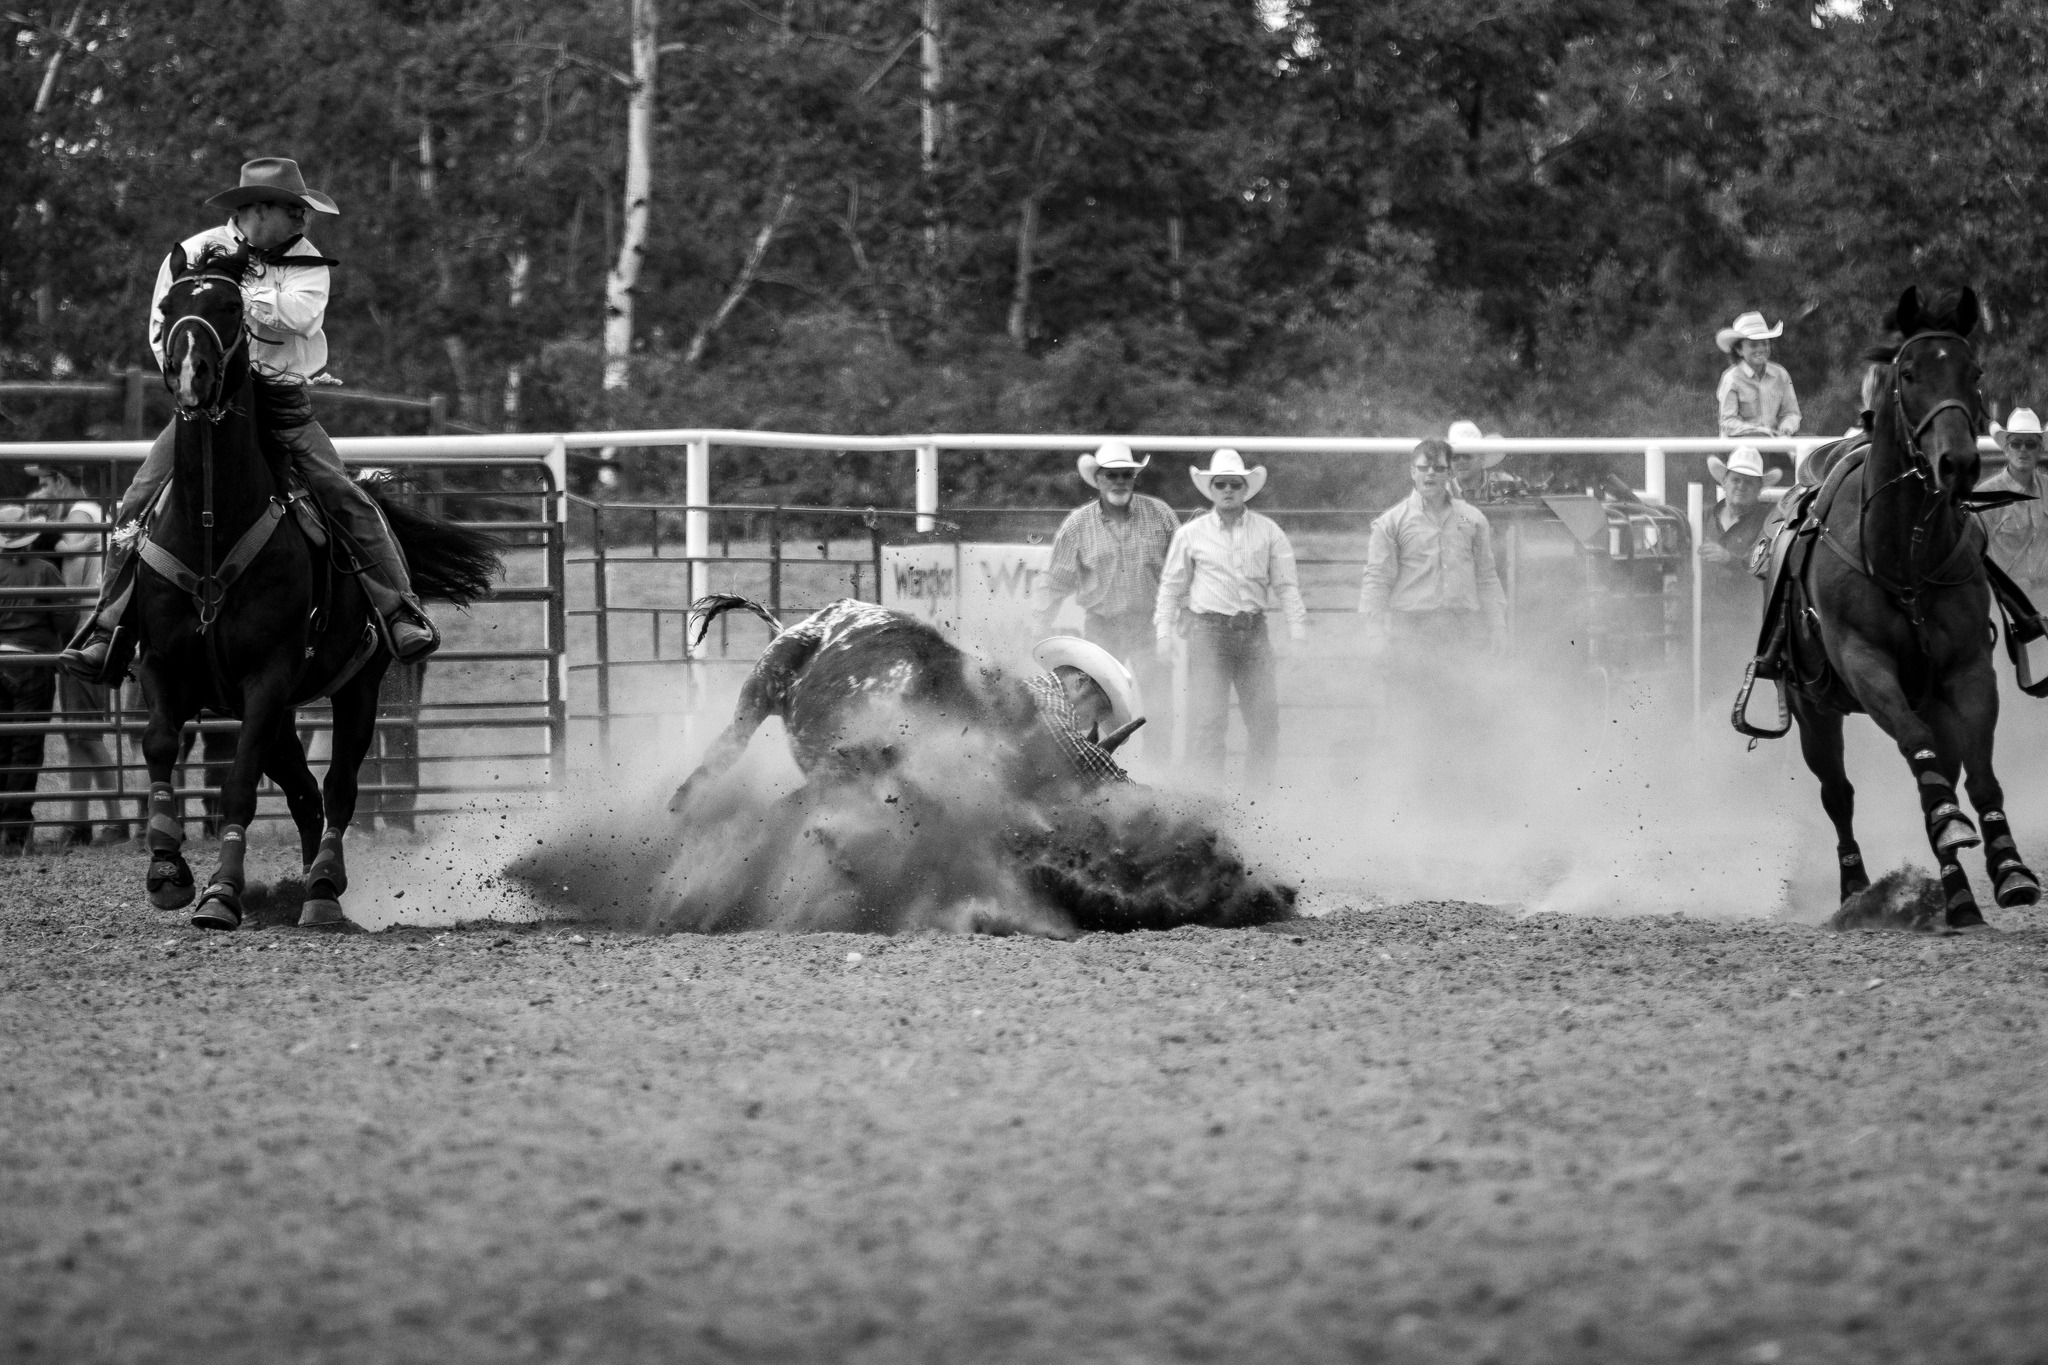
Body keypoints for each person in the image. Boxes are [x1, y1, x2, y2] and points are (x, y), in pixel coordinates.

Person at [61, 157, 439, 684]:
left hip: (282, 400)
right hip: (208, 402)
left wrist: (234, 294)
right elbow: (162, 329)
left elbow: (301, 317)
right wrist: (191, 378)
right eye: (294, 209)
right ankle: (107, 630)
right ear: (258, 208)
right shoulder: (191, 253)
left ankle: (400, 611)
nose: (304, 220)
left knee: (343, 493)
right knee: (138, 498)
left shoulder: (308, 261)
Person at [1153, 449, 1308, 784]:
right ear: (1211, 489)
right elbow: (1171, 586)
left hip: (1253, 631)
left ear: (1244, 488)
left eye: (1234, 484)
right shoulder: (1190, 535)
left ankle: (1258, 806)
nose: (1227, 489)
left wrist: (1298, 635)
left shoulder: (1269, 532)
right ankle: (1209, 807)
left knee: (1265, 721)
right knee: (1208, 723)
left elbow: (1287, 586)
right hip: (1208, 632)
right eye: (1220, 483)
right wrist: (1163, 633)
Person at [1032, 440, 1180, 739]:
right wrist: (1040, 623)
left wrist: (1182, 616)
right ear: (1098, 479)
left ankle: (1159, 775)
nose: (1119, 481)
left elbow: (1180, 570)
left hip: (1148, 625)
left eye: (1126, 474)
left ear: (1134, 478)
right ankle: (1103, 770)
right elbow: (1056, 580)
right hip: (1102, 627)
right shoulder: (1077, 525)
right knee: (1097, 707)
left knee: (1158, 707)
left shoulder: (1161, 515)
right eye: (1111, 475)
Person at [25, 464, 127, 845]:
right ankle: (79, 822)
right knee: (77, 735)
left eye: (45, 482)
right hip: (84, 634)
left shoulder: (79, 518)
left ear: (62, 481)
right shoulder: (87, 516)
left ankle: (117, 820)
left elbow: (70, 585)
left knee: (87, 734)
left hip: (82, 636)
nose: (40, 491)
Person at [1358, 438, 1508, 665]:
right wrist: (1375, 633)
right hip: (1410, 629)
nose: (1430, 474)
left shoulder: (1473, 519)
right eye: (1423, 468)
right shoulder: (1391, 523)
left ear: (1450, 474)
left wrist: (1498, 626)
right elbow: (1377, 579)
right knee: (1411, 699)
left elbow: (1486, 577)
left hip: (1462, 628)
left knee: (1464, 698)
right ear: (1412, 472)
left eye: (1438, 468)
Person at [0, 506, 66, 853]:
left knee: (2, 746)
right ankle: (15, 831)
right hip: (31, 662)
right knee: (26, 748)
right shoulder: (45, 571)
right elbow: (64, 619)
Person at [1699, 446, 1778, 676]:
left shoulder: (1768, 521)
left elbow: (1767, 563)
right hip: (1703, 622)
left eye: (1749, 482)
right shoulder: (1703, 515)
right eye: (1736, 479)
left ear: (1759, 489)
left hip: (1744, 623)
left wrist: (1729, 559)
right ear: (1724, 482)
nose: (1741, 486)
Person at [1025, 635, 1142, 786]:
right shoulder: (1047, 700)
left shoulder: (1035, 690)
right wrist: (1134, 789)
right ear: (1081, 682)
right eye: (1097, 713)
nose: (1088, 727)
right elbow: (1079, 757)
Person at [1979, 408, 2048, 596]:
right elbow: (1972, 559)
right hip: (2007, 607)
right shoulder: (1984, 496)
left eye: (2031, 445)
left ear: (2040, 450)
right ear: (2006, 449)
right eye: (2016, 444)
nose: (2023, 450)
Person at [1716, 311, 1801, 441]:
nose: (1761, 349)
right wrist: (1758, 432)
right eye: (1753, 345)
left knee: (1810, 448)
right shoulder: (1732, 378)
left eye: (1765, 343)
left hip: (1776, 442)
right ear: (1739, 350)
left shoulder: (1780, 374)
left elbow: (1791, 413)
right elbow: (1728, 421)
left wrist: (1786, 427)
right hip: (1740, 445)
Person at [1445, 420, 1528, 503]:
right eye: (1454, 457)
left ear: (1481, 458)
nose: (1461, 461)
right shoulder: (1440, 489)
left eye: (1467, 456)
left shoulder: (1505, 482)